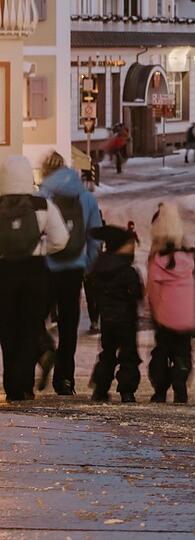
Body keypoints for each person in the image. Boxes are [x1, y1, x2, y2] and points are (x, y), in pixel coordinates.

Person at [0, 154, 66, 402]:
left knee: (7, 331)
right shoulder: (42, 205)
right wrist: (39, 249)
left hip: (4, 271)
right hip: (35, 272)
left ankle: (11, 386)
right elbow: (60, 240)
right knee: (29, 329)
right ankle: (24, 386)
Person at [37, 153, 102, 396]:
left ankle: (44, 350)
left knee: (35, 319)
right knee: (68, 325)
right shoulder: (86, 198)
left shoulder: (41, 197)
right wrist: (87, 265)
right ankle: (65, 380)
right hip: (74, 270)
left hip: (46, 268)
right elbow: (95, 237)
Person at [145, 204, 195, 403]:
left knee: (161, 351)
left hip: (164, 316)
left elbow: (152, 291)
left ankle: (160, 390)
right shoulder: (188, 260)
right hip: (185, 317)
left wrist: (154, 312)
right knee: (183, 352)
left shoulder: (156, 261)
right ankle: (180, 385)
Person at [85, 225, 142, 403]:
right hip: (126, 319)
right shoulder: (127, 270)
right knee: (129, 355)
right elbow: (136, 294)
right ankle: (127, 390)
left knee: (107, 353)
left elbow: (92, 292)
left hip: (107, 319)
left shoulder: (99, 268)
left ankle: (100, 389)